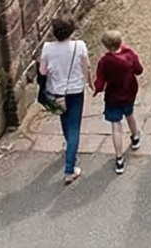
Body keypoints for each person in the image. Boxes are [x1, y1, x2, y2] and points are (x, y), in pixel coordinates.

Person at [40, 17, 91, 185]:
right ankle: (70, 168)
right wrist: (88, 82)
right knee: (75, 125)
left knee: (64, 119)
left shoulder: (47, 48)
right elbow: (86, 67)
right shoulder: (80, 46)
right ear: (71, 31)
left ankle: (70, 150)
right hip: (76, 90)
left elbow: (43, 71)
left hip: (57, 92)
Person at [93, 29, 143, 175]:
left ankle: (119, 159)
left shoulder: (104, 62)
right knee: (130, 115)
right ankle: (135, 138)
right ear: (120, 41)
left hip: (113, 97)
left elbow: (100, 83)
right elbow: (139, 70)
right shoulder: (129, 55)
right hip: (128, 93)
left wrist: (96, 89)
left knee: (116, 127)